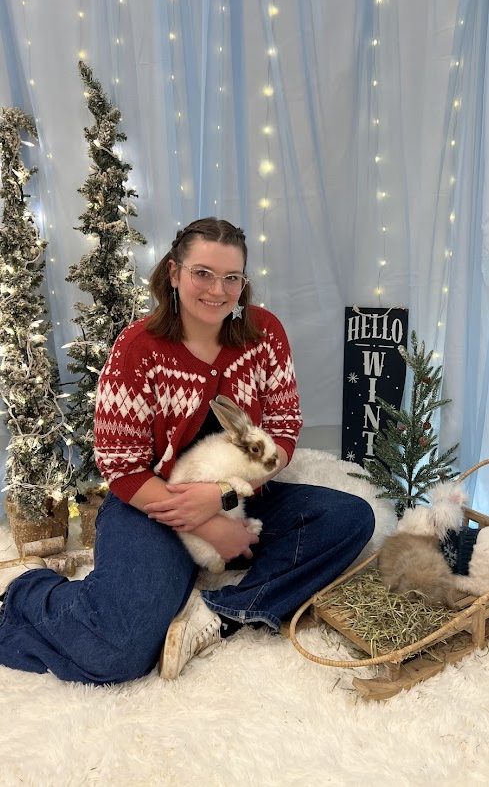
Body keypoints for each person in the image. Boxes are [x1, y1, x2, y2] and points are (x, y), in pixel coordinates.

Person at [0, 217, 374, 684]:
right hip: (153, 506)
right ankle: (27, 591)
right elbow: (122, 467)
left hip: (243, 497)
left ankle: (221, 613)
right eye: (203, 273)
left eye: (231, 278)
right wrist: (209, 525)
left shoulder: (264, 333)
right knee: (114, 653)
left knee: (350, 518)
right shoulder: (139, 348)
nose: (218, 290)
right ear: (174, 273)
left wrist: (223, 498)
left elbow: (282, 431)